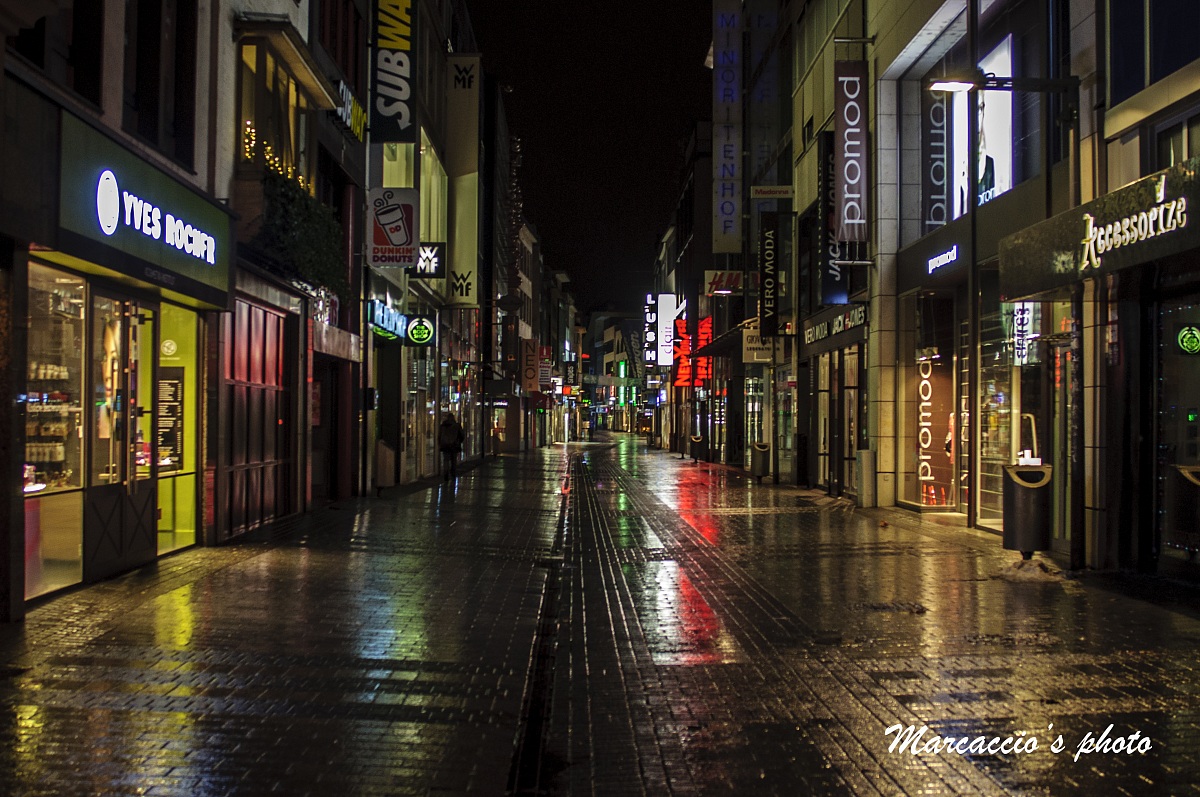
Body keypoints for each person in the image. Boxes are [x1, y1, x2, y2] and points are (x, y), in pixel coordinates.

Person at [438, 412, 465, 481]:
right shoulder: (456, 426)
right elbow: (462, 436)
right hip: (454, 445)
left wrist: (440, 443)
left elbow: (439, 436)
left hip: (445, 445)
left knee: (446, 460)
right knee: (453, 460)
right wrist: (458, 442)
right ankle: (453, 473)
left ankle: (446, 473)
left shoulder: (443, 426)